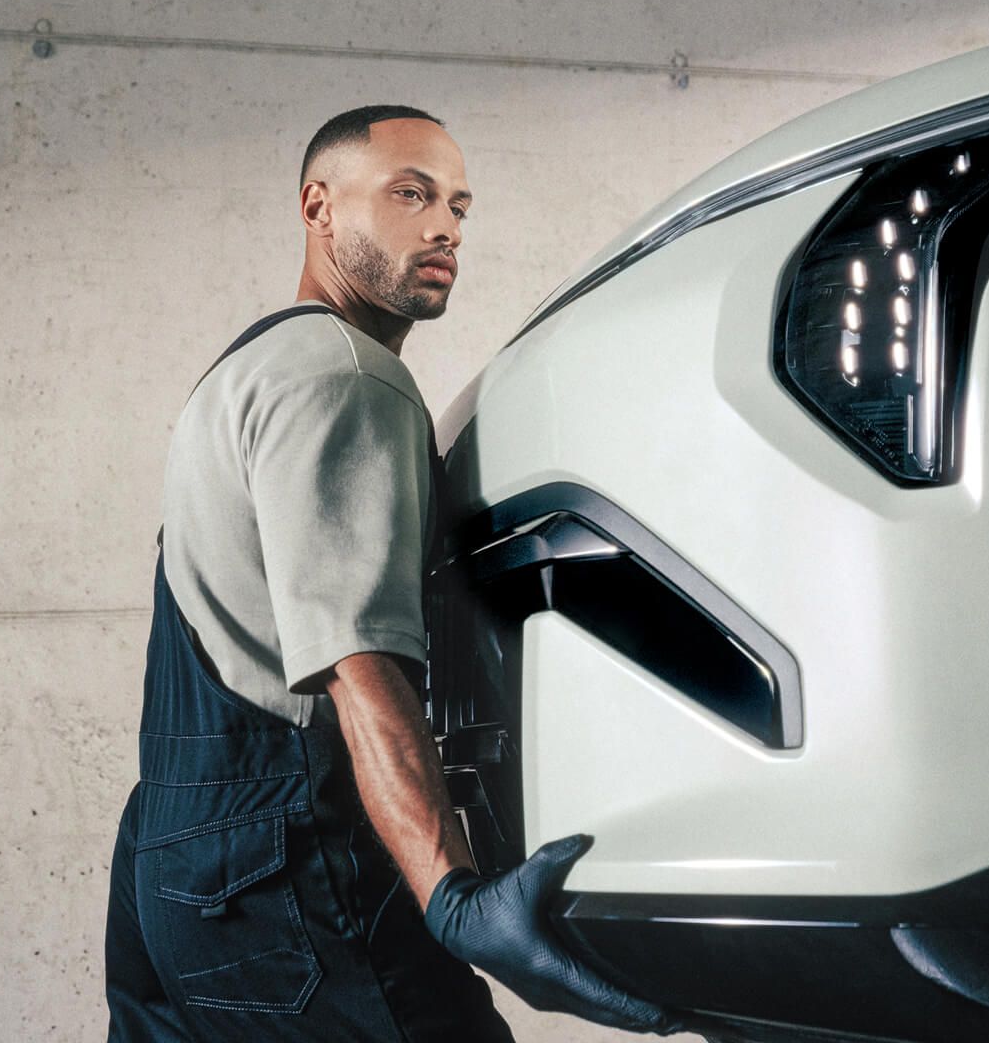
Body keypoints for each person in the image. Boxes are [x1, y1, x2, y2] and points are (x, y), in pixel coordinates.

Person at [105, 105, 676, 1041]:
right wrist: (451, 893)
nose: (444, 224)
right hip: (290, 869)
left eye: (458, 204)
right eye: (409, 194)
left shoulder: (245, 370)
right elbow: (359, 664)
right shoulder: (346, 377)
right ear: (319, 207)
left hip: (171, 867)